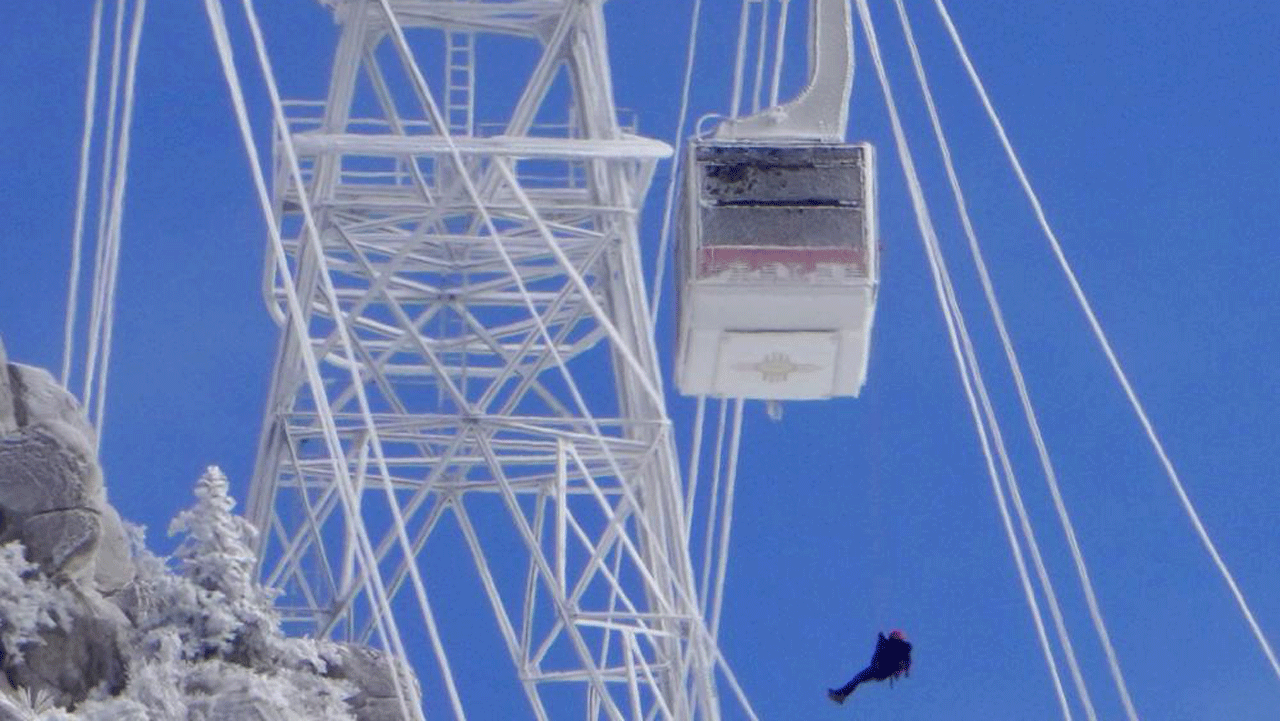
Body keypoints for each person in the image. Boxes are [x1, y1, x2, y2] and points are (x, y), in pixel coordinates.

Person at [827, 629, 912, 704]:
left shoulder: (893, 646)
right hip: (881, 670)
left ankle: (841, 695)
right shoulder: (901, 648)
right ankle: (841, 695)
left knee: (858, 678)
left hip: (881, 669)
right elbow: (878, 658)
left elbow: (877, 658)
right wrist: (881, 641)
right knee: (858, 678)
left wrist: (881, 641)